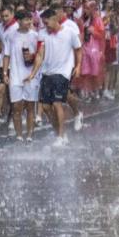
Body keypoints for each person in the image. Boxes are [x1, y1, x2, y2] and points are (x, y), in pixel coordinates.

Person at [36, 9, 82, 146]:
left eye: (47, 22)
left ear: (55, 18)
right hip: (47, 72)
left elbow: (78, 49)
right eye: (43, 23)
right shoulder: (42, 33)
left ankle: (61, 137)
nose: (46, 26)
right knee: (45, 107)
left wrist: (78, 66)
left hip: (63, 72)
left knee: (57, 103)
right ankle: (60, 134)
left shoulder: (69, 32)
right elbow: (40, 54)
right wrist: (34, 72)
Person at [3, 10, 41, 141]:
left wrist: (33, 56)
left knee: (30, 106)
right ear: (18, 21)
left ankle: (30, 135)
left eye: (30, 19)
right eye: (26, 19)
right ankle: (19, 135)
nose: (29, 22)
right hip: (15, 75)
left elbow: (41, 55)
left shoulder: (35, 36)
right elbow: (6, 55)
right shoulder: (10, 36)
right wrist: (4, 73)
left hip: (30, 75)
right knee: (16, 107)